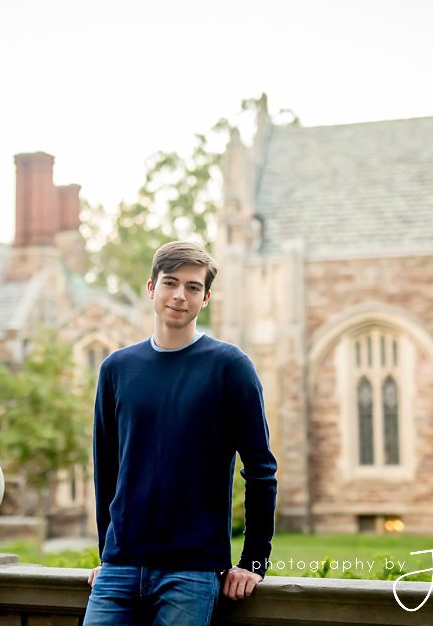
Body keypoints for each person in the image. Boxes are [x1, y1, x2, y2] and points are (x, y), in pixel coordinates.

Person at [84, 240, 278, 626]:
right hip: (120, 570)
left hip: (192, 572)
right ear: (151, 287)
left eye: (192, 287)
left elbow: (260, 470)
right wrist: (107, 556)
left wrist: (254, 562)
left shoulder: (230, 367)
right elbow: (106, 470)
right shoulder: (116, 369)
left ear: (205, 298)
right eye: (171, 283)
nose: (180, 295)